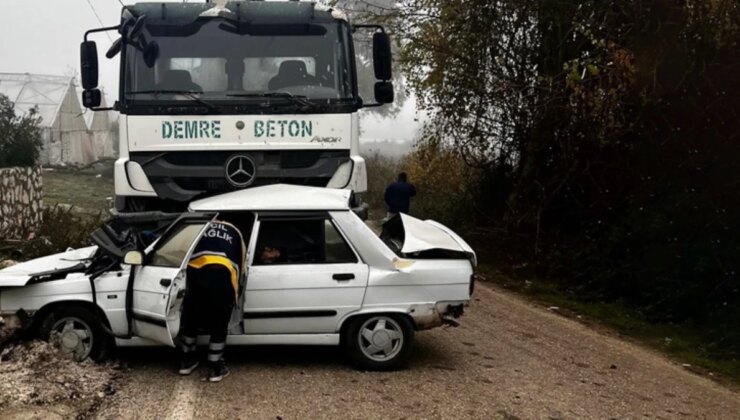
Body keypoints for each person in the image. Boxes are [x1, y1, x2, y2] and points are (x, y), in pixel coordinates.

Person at [178, 220, 245, 382]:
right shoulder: (234, 230)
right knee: (219, 323)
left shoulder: (197, 225)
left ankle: (187, 361)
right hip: (222, 277)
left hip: (196, 276)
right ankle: (215, 368)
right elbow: (242, 261)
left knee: (191, 318)